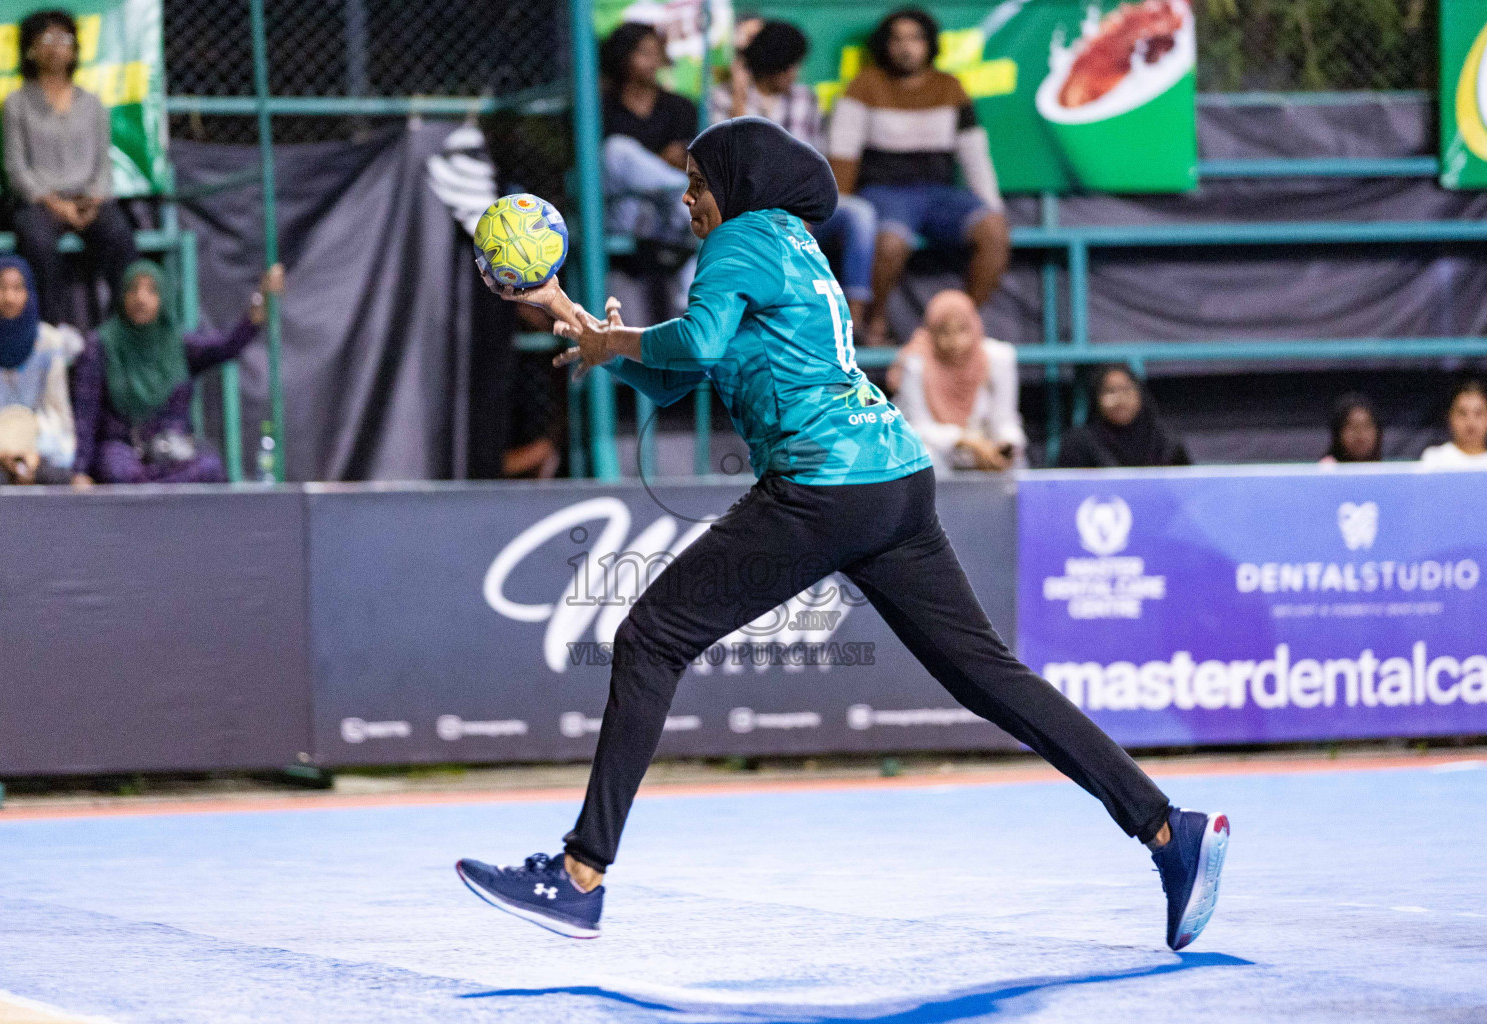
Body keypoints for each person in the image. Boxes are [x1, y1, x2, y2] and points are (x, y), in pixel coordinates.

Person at [455, 116, 1229, 951]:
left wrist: (620, 340)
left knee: (651, 636)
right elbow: (687, 375)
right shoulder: (785, 238)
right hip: (893, 482)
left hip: (822, 487)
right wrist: (585, 325)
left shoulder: (737, 242)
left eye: (697, 182)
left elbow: (701, 340)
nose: (685, 198)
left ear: (737, 187)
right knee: (988, 675)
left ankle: (579, 877)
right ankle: (1165, 829)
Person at [827, 8, 1009, 344]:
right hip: (883, 194)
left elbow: (975, 156)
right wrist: (836, 211)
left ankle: (957, 324)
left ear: (929, 44)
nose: (906, 47)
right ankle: (875, 324)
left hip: (939, 196)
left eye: (915, 38)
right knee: (891, 242)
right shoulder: (863, 87)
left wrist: (992, 204)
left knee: (995, 231)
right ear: (885, 45)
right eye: (897, 39)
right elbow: (842, 154)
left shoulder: (951, 88)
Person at [711, 20, 878, 327]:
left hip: (798, 199)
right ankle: (794, 320)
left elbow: (810, 162)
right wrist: (738, 96)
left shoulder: (805, 98)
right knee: (788, 223)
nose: (794, 74)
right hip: (748, 205)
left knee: (860, 214)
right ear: (769, 65)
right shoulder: (723, 99)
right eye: (788, 67)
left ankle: (852, 321)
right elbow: (732, 163)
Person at [70, 261, 284, 484]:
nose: (141, 298)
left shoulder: (177, 345)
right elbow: (86, 414)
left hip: (171, 451)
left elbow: (228, 347)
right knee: (117, 470)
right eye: (133, 289)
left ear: (163, 298)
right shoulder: (102, 346)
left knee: (209, 467)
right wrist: (80, 471)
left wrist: (262, 300)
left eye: (151, 290)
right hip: (124, 450)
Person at [2, 9, 140, 326]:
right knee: (37, 242)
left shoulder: (92, 104)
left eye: (64, 39)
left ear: (75, 49)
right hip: (40, 203)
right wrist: (55, 204)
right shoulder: (17, 103)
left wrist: (93, 199)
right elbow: (16, 169)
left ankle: (124, 331)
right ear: (31, 48)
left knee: (119, 234)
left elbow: (103, 166)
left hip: (88, 201)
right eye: (47, 39)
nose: (56, 46)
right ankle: (55, 334)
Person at [600, 22, 700, 326]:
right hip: (621, 210)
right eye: (643, 53)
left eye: (656, 53)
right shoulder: (601, 107)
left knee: (691, 215)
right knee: (617, 150)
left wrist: (678, 161)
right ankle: (687, 195)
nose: (652, 61)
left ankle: (690, 298)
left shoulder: (680, 107)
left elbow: (693, 159)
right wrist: (662, 160)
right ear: (623, 58)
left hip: (665, 214)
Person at [0, 255, 82, 486]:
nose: (9, 298)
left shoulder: (49, 342)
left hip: (35, 450)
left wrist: (33, 454)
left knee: (56, 477)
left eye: (17, 288)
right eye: (0, 287)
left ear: (29, 292)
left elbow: (58, 414)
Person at [888, 289, 1024, 474]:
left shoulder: (999, 358)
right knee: (926, 459)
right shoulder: (915, 363)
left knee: (1016, 462)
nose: (955, 342)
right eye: (944, 332)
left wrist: (1003, 447)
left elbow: (1005, 421)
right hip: (941, 453)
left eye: (962, 330)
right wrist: (965, 440)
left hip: (986, 452)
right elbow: (916, 428)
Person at [1056, 364, 1191, 469]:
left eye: (1127, 390)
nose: (1120, 400)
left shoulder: (1164, 442)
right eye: (1110, 391)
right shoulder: (1078, 445)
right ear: (1096, 398)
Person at [1420, 379, 1487, 467]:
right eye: (1462, 413)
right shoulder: (1435, 459)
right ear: (1450, 417)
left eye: (1478, 413)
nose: (1470, 422)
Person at [1320, 392, 1382, 464]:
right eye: (1352, 427)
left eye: (1366, 426)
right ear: (1338, 432)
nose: (1360, 434)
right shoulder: (1325, 470)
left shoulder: (1390, 469)